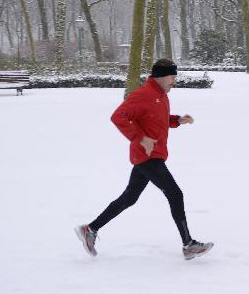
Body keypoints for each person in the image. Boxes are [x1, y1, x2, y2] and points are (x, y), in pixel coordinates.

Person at [74, 58, 213, 260]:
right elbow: (118, 116)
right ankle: (188, 244)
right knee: (175, 194)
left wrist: (177, 121)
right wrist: (140, 138)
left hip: (152, 155)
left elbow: (156, 118)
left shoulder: (161, 95)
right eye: (172, 76)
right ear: (161, 76)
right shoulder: (143, 94)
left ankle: (90, 229)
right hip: (147, 157)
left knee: (130, 198)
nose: (175, 80)